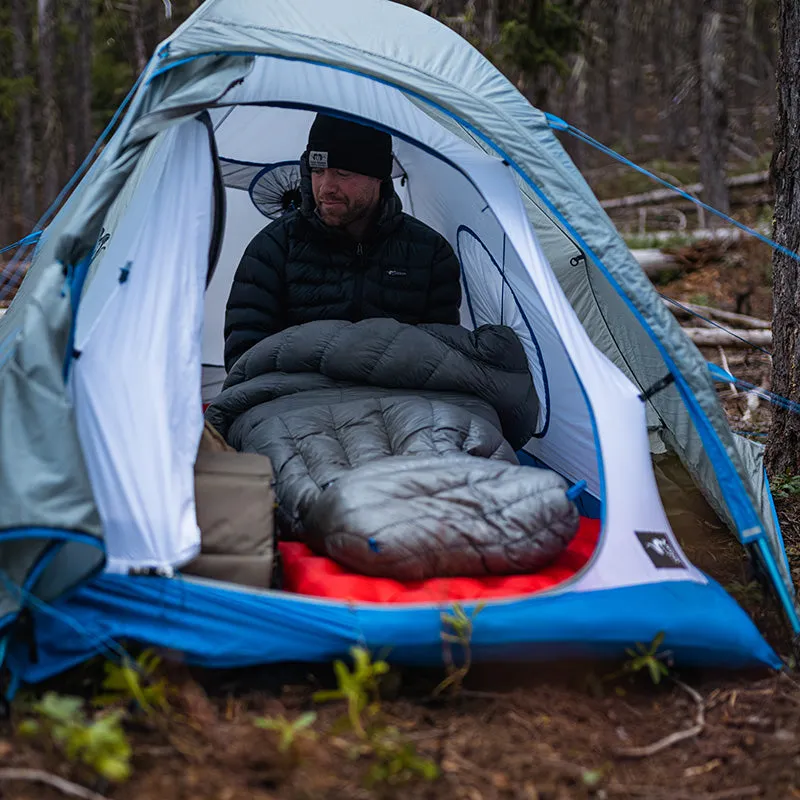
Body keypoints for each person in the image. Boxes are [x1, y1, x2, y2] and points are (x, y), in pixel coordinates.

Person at [223, 114, 462, 371]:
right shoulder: (273, 249)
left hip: (397, 404)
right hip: (295, 403)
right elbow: (244, 357)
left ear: (378, 176)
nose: (326, 187)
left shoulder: (429, 254)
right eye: (317, 171)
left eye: (342, 173)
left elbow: (441, 360)